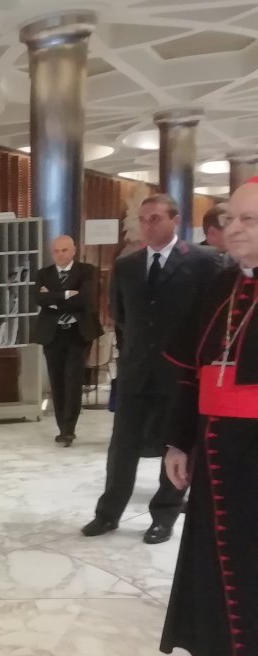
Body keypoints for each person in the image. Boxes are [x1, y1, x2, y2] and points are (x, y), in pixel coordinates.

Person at [160, 177, 258, 656]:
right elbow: (189, 374)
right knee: (228, 567)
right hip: (220, 454)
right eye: (230, 219)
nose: (234, 229)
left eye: (249, 219)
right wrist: (179, 441)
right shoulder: (221, 284)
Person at [82, 193, 221, 545]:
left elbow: (209, 319)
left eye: (155, 218)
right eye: (143, 220)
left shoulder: (203, 262)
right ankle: (108, 513)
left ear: (176, 220)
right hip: (136, 371)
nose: (147, 226)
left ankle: (164, 515)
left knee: (174, 446)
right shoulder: (127, 265)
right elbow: (120, 315)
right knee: (122, 446)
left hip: (179, 373)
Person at [32, 234, 103, 446]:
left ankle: (69, 429)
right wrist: (67, 294)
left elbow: (85, 298)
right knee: (57, 381)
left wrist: (53, 299)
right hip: (52, 334)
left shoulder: (87, 271)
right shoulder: (43, 274)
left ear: (73, 251)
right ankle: (61, 426)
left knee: (73, 380)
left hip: (77, 333)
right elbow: (39, 299)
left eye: (64, 250)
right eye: (56, 251)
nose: (60, 255)